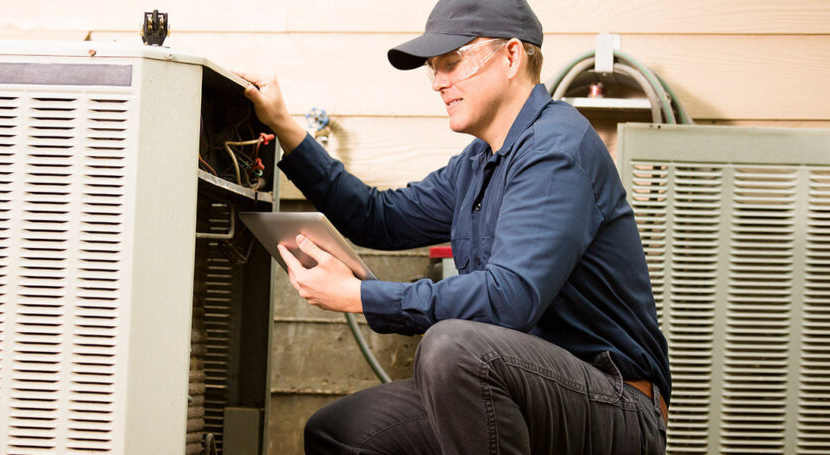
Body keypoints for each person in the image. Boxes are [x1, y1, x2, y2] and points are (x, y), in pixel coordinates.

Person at [235, 0, 671, 452]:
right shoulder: (477, 164)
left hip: (614, 403)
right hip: (520, 387)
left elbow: (508, 298)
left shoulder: (556, 149)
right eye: (433, 69)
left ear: (511, 57)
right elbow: (378, 218)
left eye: (452, 63)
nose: (439, 83)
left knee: (454, 347)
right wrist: (284, 126)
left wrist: (359, 295)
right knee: (342, 431)